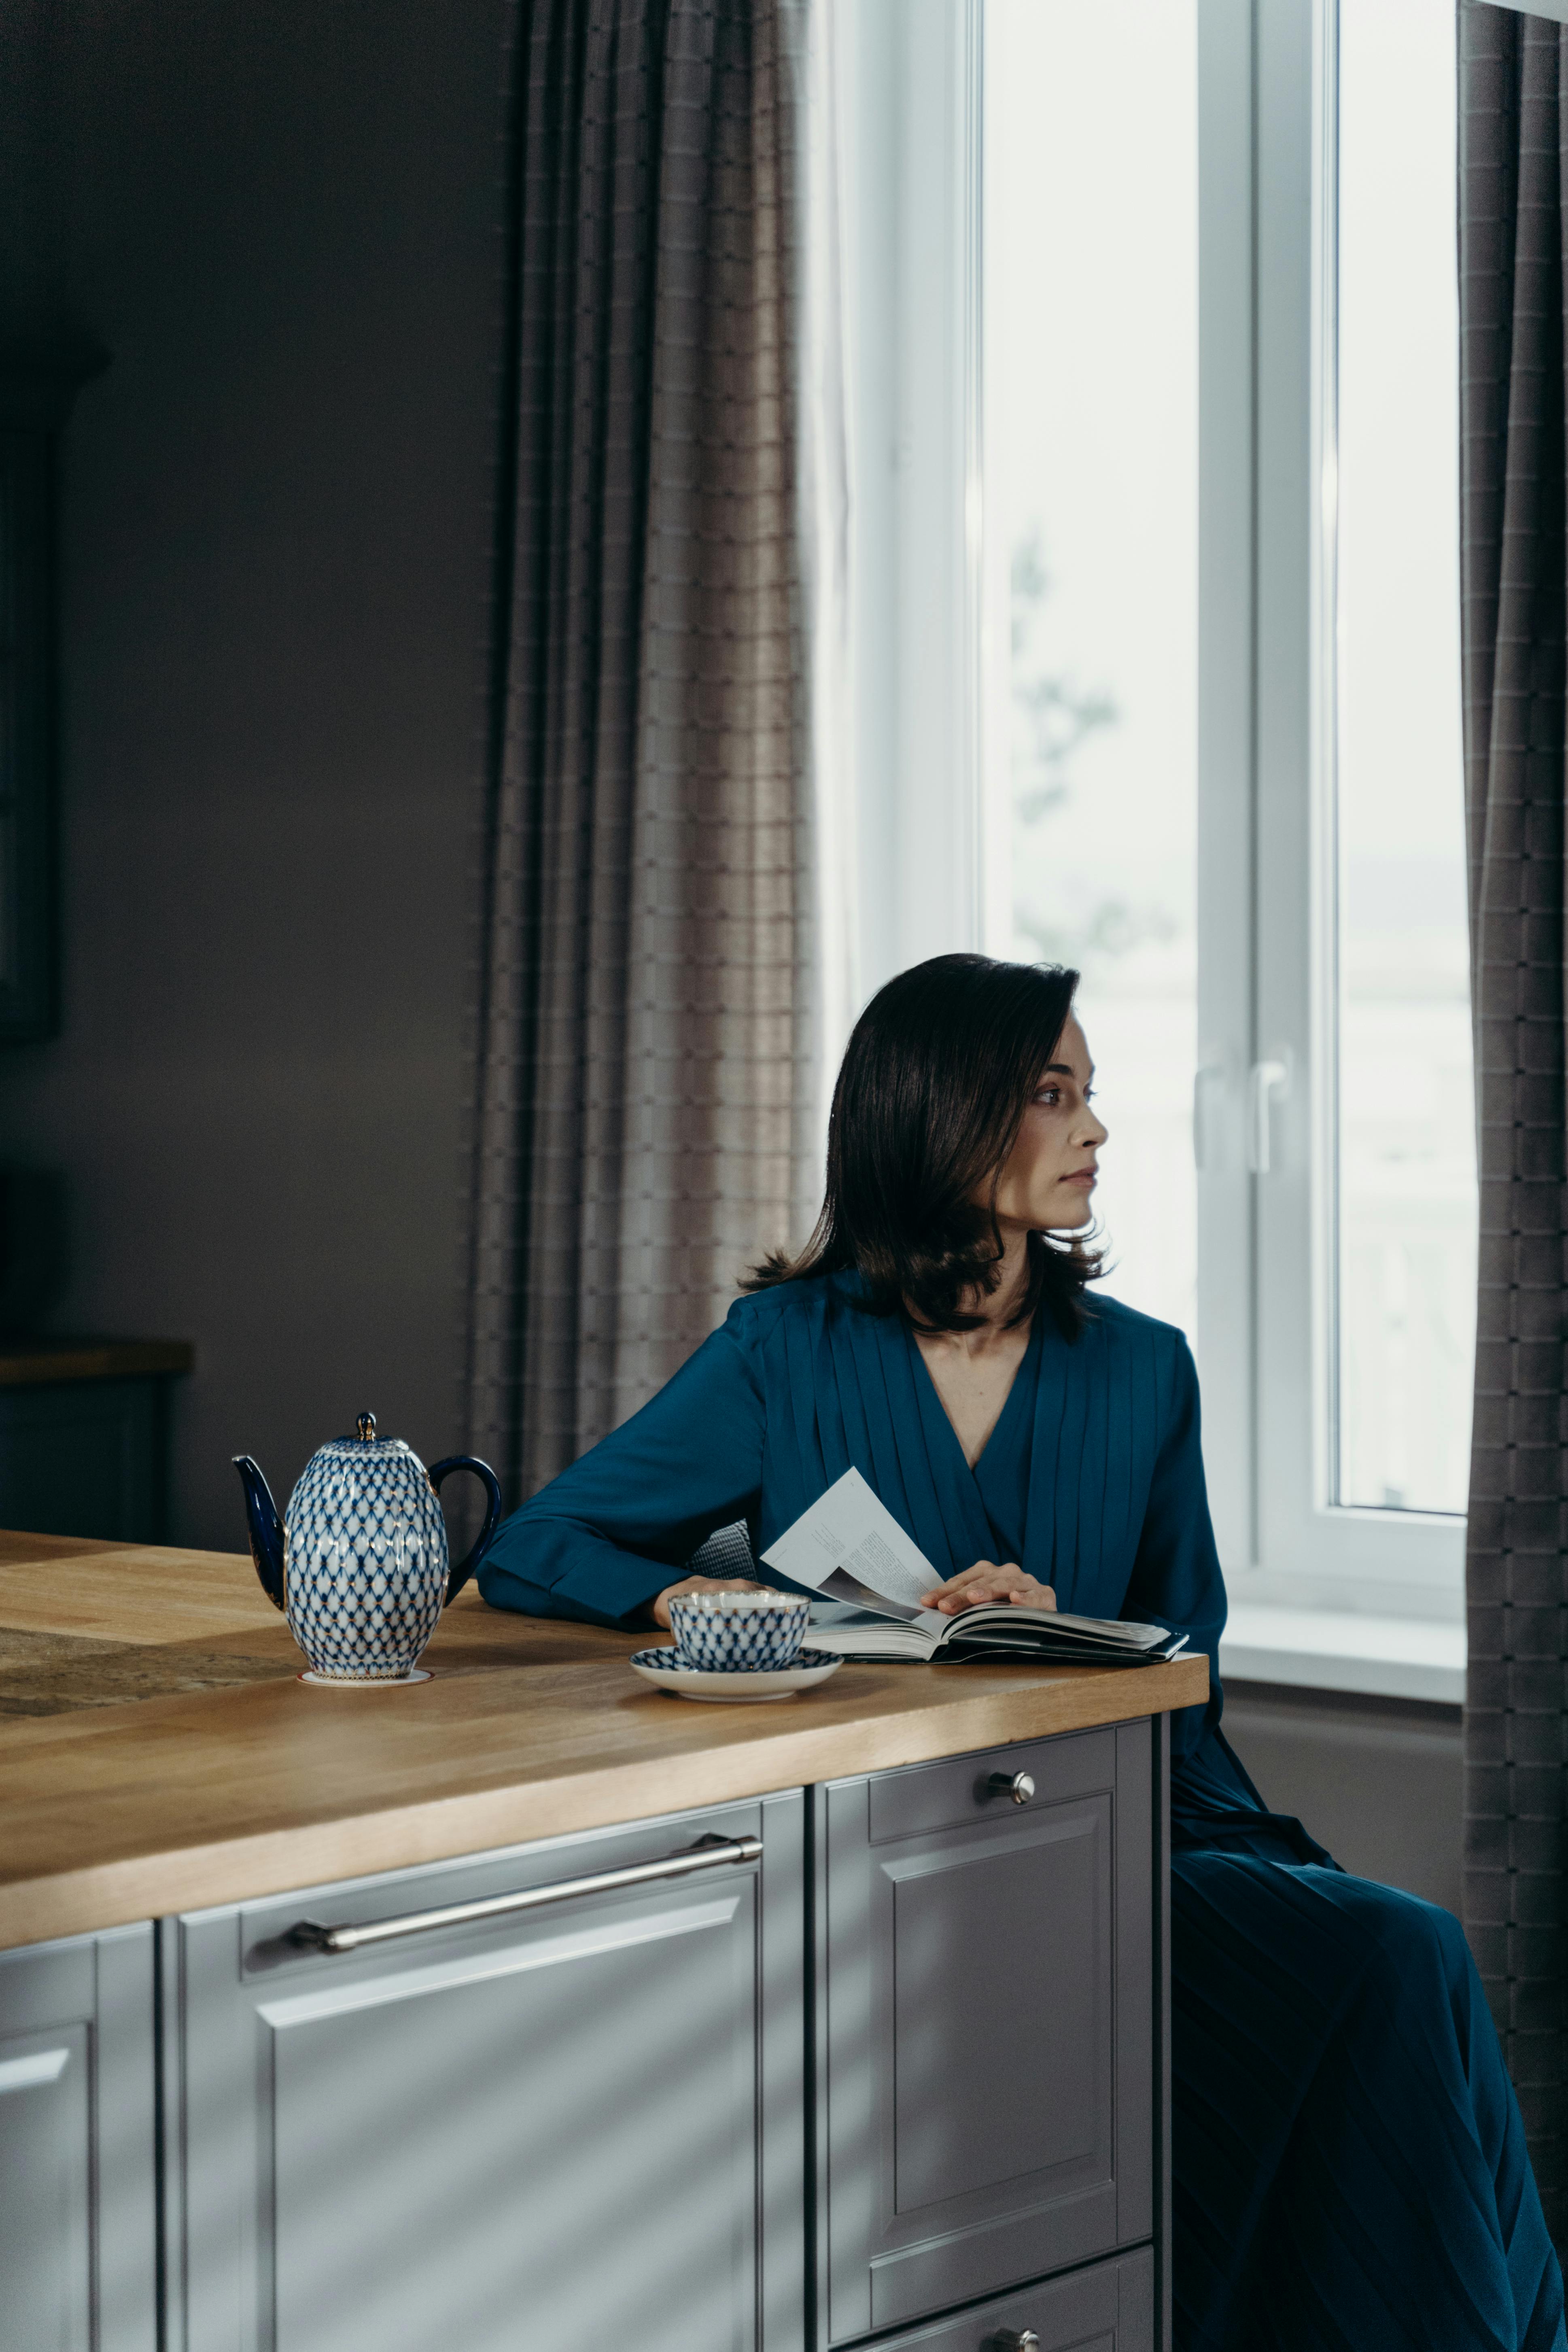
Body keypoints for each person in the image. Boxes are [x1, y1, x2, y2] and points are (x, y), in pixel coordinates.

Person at [479, 952, 1565, 2352]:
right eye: (1053, 1094)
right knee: (1394, 1965)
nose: (1095, 1129)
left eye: (1089, 1093)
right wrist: (694, 1604)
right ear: (943, 1112)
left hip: (1139, 1820)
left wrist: (1051, 1638)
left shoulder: (1140, 1367)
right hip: (888, 1836)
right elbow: (533, 1543)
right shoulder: (783, 1355)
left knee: (1390, 1956)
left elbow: (1194, 1668)